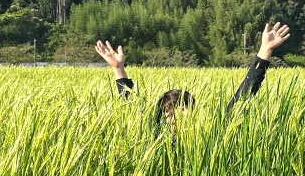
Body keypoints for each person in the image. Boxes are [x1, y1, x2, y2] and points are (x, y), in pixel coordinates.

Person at [94, 22, 291, 129]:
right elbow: (129, 108)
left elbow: (242, 98)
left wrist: (265, 51)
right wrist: (118, 69)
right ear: (161, 118)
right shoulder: (153, 141)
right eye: (170, 113)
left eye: (183, 109)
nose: (177, 117)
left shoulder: (209, 137)